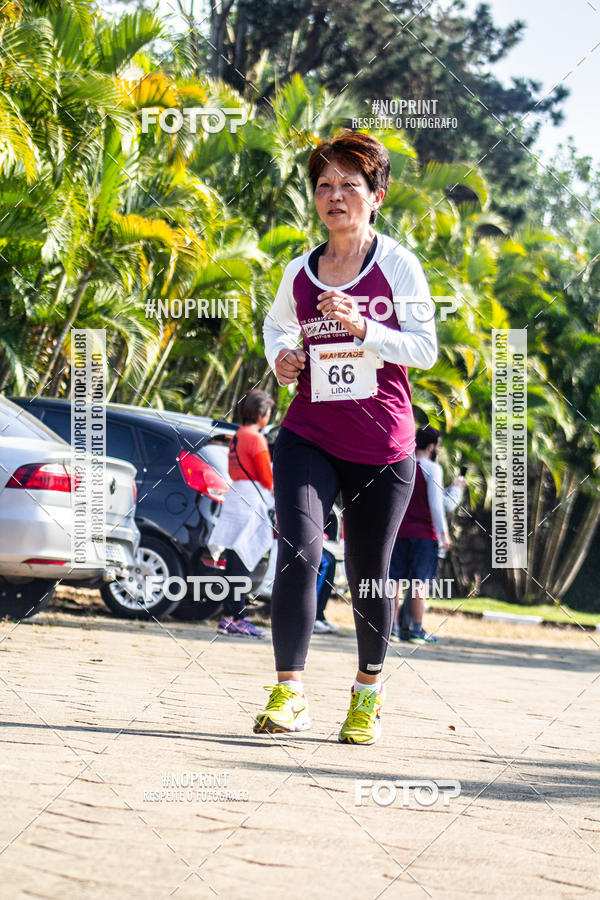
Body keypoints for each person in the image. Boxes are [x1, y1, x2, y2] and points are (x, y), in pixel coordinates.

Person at [255, 130, 438, 744]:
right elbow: (276, 325)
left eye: (349, 187)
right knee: (299, 551)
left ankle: (368, 690)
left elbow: (425, 349)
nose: (335, 197)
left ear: (376, 196)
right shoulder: (298, 272)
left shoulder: (397, 266)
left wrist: (366, 330)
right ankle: (289, 693)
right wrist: (282, 355)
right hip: (308, 431)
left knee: (368, 571)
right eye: (324, 186)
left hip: (383, 445)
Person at [389, 424, 465, 644]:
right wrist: (444, 533)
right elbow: (437, 505)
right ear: (432, 446)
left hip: (400, 532)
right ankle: (416, 629)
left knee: (394, 581)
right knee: (419, 582)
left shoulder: (402, 463)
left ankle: (392, 628)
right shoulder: (433, 469)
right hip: (424, 534)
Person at [208, 389, 275, 638]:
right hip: (251, 498)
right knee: (243, 560)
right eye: (268, 412)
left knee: (234, 559)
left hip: (237, 495)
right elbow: (266, 475)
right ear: (260, 414)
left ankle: (230, 616)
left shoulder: (237, 435)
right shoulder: (256, 438)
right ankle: (238, 617)